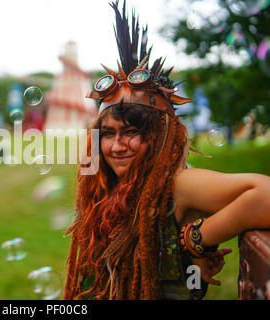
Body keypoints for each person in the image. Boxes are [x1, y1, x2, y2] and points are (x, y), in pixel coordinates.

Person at [63, 0, 270, 300]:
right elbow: (183, 282)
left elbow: (265, 195)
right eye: (108, 134)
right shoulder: (108, 186)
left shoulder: (175, 185)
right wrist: (192, 268)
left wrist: (197, 240)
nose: (117, 145)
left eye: (132, 132)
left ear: (160, 136)